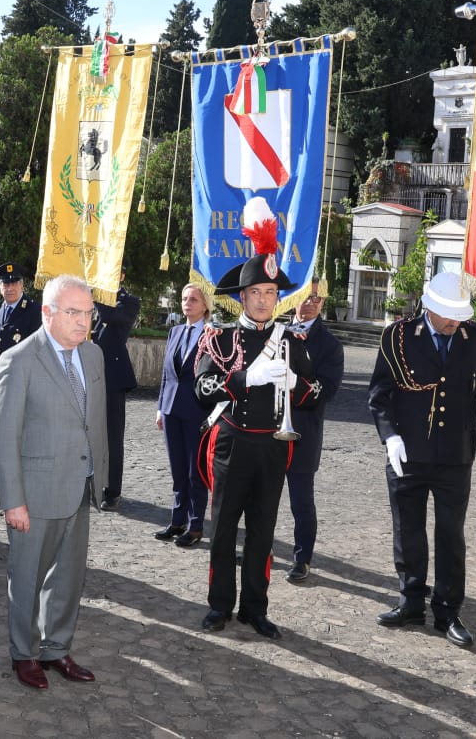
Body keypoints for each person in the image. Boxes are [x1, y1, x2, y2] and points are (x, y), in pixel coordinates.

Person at [193, 200, 319, 639]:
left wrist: (293, 384)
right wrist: (246, 377)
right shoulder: (219, 337)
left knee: (263, 533)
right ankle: (219, 606)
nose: (264, 301)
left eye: (270, 294)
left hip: (273, 448)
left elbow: (317, 391)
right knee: (224, 530)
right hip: (231, 445)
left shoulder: (292, 340)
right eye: (256, 294)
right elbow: (201, 387)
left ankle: (255, 608)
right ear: (241, 298)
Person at [367, 271, 476, 648]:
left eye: (459, 315)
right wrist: (389, 436)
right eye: (448, 315)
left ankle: (447, 611)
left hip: (455, 455)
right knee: (407, 530)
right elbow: (379, 395)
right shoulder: (397, 337)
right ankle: (410, 600)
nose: (454, 322)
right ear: (428, 306)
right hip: (407, 453)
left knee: (450, 535)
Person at [0, 274, 108, 690]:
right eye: (73, 312)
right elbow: (4, 435)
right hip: (35, 492)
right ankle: (24, 653)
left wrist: (101, 476)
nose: (82, 322)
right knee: (26, 576)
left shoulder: (92, 355)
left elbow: (94, 421)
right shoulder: (20, 359)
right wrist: (12, 499)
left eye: (88, 313)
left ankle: (56, 648)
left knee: (69, 576)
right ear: (48, 312)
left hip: (79, 484)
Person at [282, 283, 345, 583]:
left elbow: (326, 389)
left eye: (316, 298)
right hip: (265, 429)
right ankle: (259, 549)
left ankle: (302, 558)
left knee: (301, 501)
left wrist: (294, 383)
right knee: (261, 497)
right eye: (304, 296)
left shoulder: (330, 344)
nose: (309, 303)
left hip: (303, 432)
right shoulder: (274, 333)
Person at [155, 283, 212, 547]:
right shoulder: (175, 331)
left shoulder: (212, 336)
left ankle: (195, 524)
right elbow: (167, 374)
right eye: (184, 299)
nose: (187, 303)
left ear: (205, 306)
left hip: (197, 411)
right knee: (177, 469)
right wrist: (160, 407)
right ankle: (177, 520)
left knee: (194, 471)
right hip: (171, 409)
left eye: (193, 299)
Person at [92, 281, 139, 509]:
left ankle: (112, 491)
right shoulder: (90, 298)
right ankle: (92, 482)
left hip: (113, 379)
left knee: (112, 436)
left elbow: (111, 316)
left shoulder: (129, 301)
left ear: (121, 275)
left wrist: (97, 295)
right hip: (88, 375)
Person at [0, 263, 38, 358]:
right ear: (0, 287)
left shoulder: (34, 310)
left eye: (14, 283)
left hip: (22, 370)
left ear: (22, 286)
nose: (10, 288)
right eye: (6, 284)